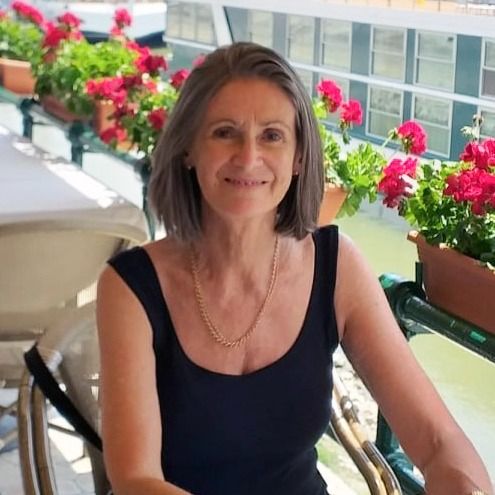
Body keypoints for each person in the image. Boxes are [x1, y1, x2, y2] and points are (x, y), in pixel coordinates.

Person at [96, 42, 493, 495]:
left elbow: (438, 440)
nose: (249, 157)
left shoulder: (335, 265)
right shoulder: (131, 288)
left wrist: (465, 484)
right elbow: (135, 478)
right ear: (187, 147)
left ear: (299, 156)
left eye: (272, 135)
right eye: (225, 132)